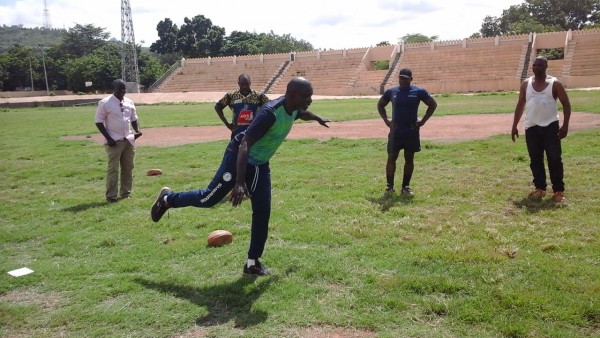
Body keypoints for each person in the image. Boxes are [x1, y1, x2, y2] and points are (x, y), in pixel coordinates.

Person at [151, 77, 330, 276]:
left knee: (263, 211)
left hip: (260, 163)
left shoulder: (294, 107)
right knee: (208, 198)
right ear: (292, 95)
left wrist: (316, 117)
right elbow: (245, 143)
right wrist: (239, 182)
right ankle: (167, 199)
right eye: (306, 96)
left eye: (310, 96)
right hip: (238, 157)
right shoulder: (269, 113)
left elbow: (302, 113)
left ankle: (252, 263)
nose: (310, 100)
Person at [511, 56, 571, 202]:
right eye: (534, 65)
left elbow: (566, 104)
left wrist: (565, 125)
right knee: (535, 159)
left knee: (554, 158)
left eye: (540, 65)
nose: (536, 67)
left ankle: (558, 191)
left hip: (550, 127)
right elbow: (520, 105)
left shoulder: (554, 83)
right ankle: (540, 188)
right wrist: (514, 126)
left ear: (546, 66)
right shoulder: (526, 84)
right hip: (531, 127)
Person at [377, 68, 437, 195]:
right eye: (401, 78)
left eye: (405, 78)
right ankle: (389, 187)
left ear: (411, 79)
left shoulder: (418, 92)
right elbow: (380, 105)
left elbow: (432, 105)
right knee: (391, 158)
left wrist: (423, 121)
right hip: (396, 132)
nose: (403, 80)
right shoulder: (392, 92)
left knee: (409, 158)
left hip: (411, 131)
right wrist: (387, 120)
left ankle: (405, 187)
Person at [95, 79, 142, 203]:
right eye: (119, 89)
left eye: (124, 89)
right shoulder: (105, 103)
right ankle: (111, 195)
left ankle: (126, 193)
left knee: (128, 167)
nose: (122, 92)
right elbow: (99, 122)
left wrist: (137, 130)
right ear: (113, 89)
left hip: (128, 140)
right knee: (113, 169)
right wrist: (109, 138)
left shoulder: (129, 102)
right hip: (114, 141)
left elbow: (134, 118)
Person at [214, 74, 270, 138]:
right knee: (237, 148)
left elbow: (270, 107)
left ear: (250, 83)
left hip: (254, 132)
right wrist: (227, 124)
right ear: (238, 83)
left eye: (246, 84)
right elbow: (217, 107)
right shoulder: (231, 96)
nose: (244, 87)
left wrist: (263, 123)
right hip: (237, 133)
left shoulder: (258, 96)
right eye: (242, 84)